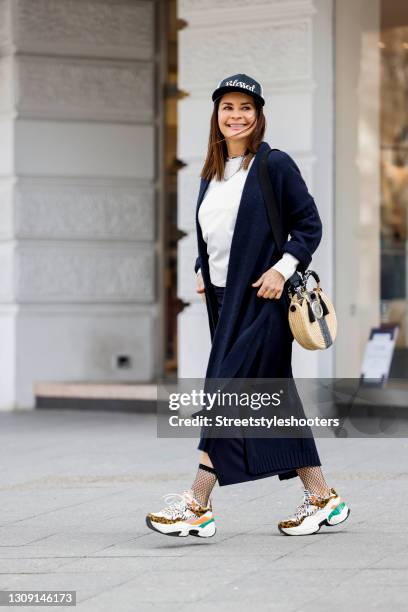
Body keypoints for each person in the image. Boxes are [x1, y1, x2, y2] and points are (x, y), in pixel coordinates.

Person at [146, 74, 350, 538]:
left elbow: (308, 225)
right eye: (227, 107)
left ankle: (196, 505)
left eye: (246, 108)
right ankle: (322, 498)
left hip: (263, 299)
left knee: (226, 396)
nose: (236, 116)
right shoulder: (212, 172)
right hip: (224, 301)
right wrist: (202, 267)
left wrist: (281, 269)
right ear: (216, 115)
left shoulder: (273, 165)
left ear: (259, 115)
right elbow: (212, 234)